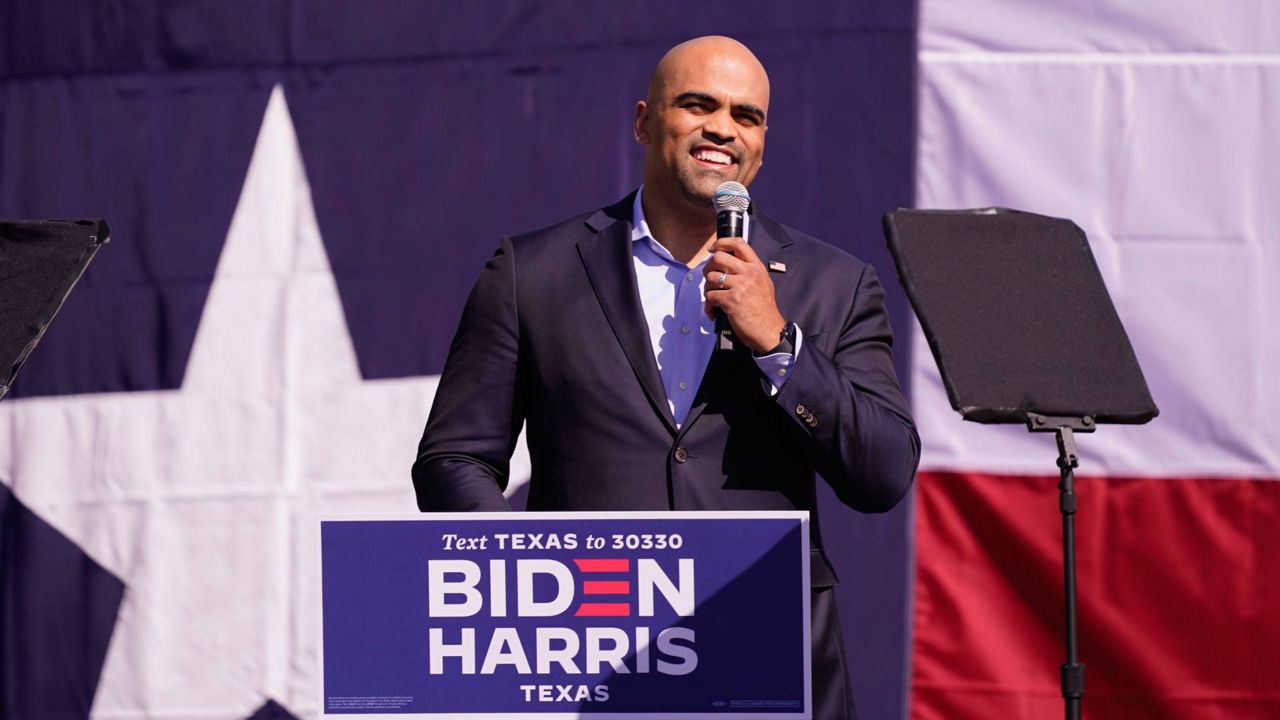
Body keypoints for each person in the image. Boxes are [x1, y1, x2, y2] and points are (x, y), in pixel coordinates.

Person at [413, 35, 919, 720]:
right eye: (698, 105)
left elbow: (883, 471)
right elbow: (454, 457)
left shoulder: (835, 285)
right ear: (646, 121)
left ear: (763, 141)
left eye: (746, 115)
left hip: (768, 667)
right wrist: (527, 575)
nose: (722, 129)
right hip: (586, 670)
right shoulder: (533, 271)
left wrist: (779, 343)